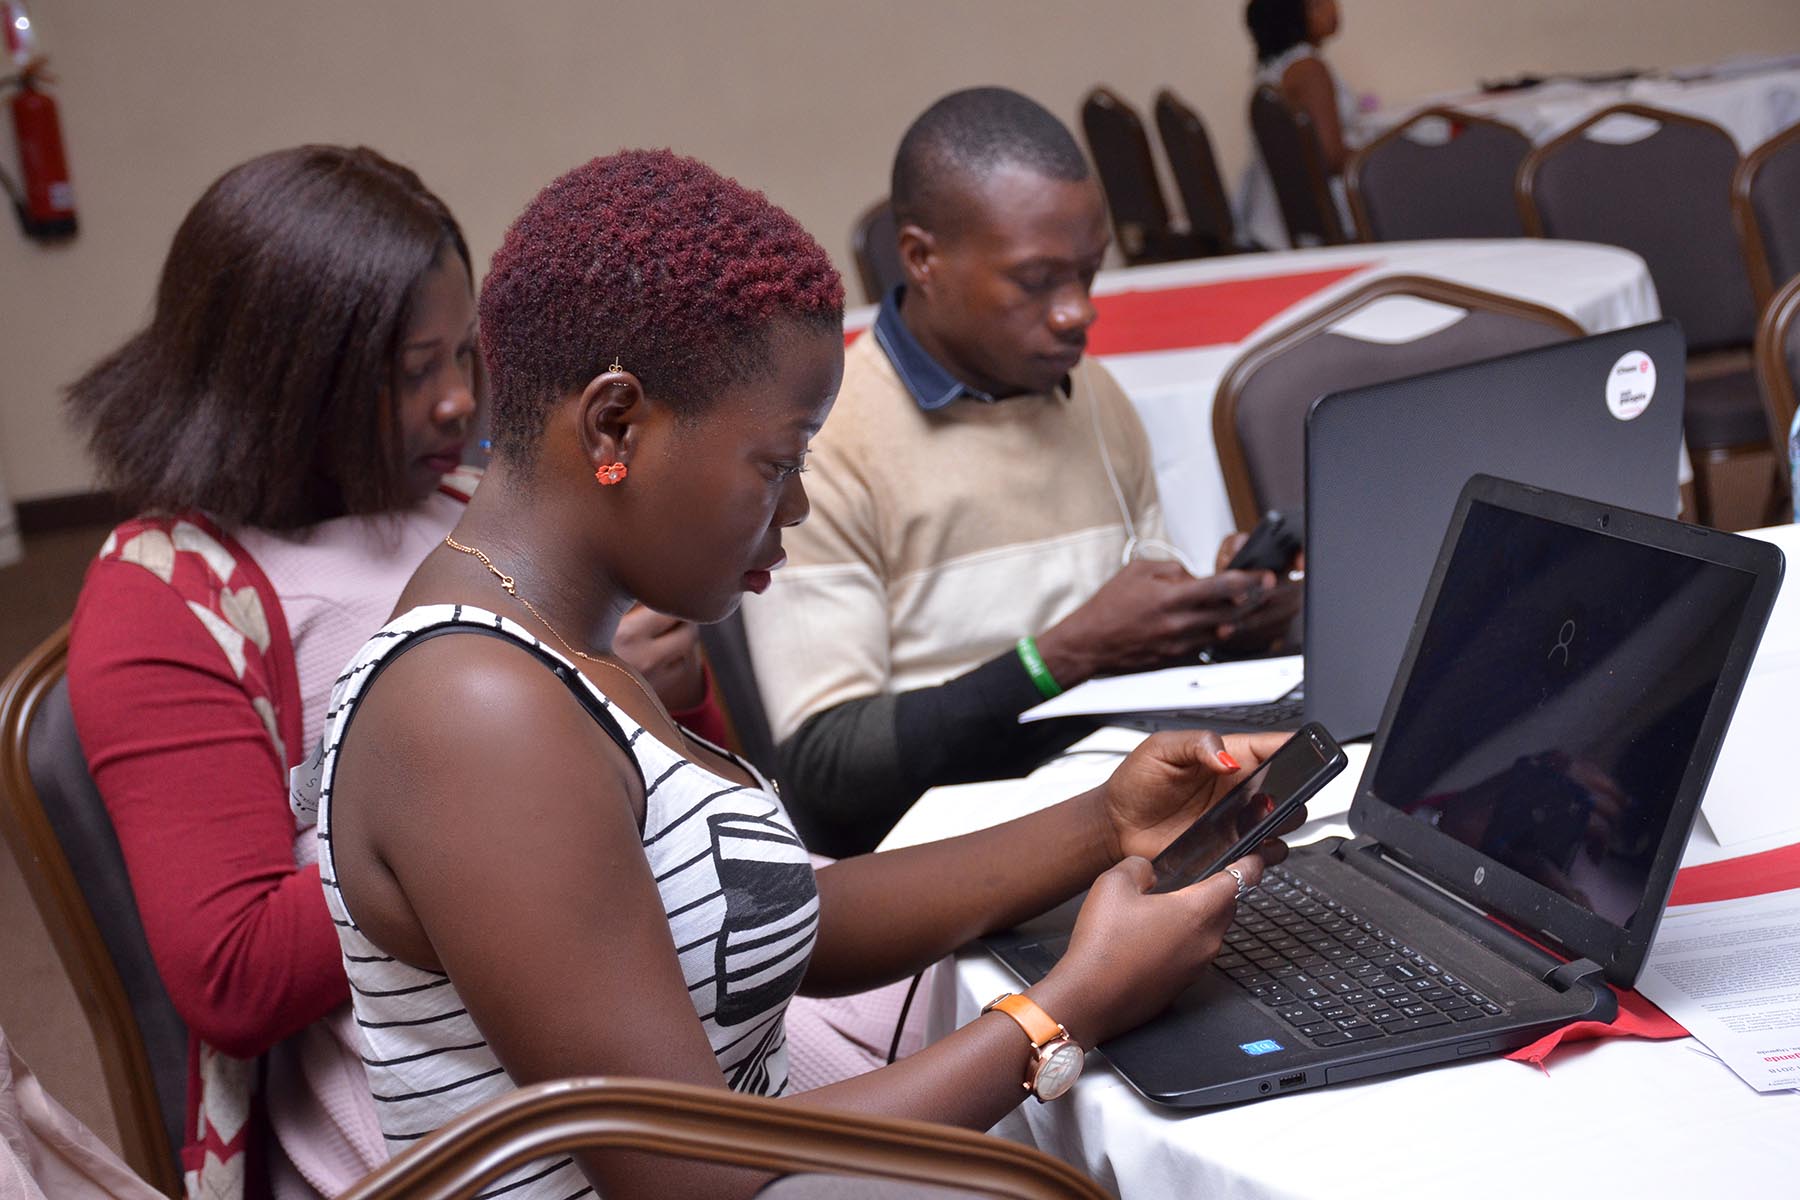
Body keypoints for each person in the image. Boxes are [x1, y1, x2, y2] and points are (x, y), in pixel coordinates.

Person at [304, 147, 1297, 1200]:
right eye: (777, 463)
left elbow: (775, 922)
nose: (797, 508)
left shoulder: (560, 647)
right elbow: (686, 1169)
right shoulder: (477, 710)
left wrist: (1110, 819)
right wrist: (1067, 1007)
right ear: (613, 424)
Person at [62, 145, 721, 1199]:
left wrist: (672, 689)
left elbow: (691, 777)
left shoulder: (470, 502)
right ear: (284, 376)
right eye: (416, 372)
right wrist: (485, 782)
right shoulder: (170, 596)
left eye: (467, 355)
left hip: (655, 972)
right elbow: (232, 974)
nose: (462, 402)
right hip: (430, 1086)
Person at [740, 87, 1298, 857]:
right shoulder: (830, 442)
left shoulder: (1094, 396)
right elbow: (829, 777)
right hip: (945, 861)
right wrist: (1061, 656)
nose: (1076, 313)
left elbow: (1138, 669)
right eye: (1036, 281)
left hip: (1123, 817)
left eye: (1088, 273)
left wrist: (1221, 626)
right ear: (921, 258)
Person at [1246, 0, 1355, 173]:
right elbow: (1332, 158)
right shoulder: (1307, 69)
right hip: (1330, 192)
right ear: (1291, 15)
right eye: (1317, 4)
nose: (1332, 6)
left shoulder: (1273, 66)